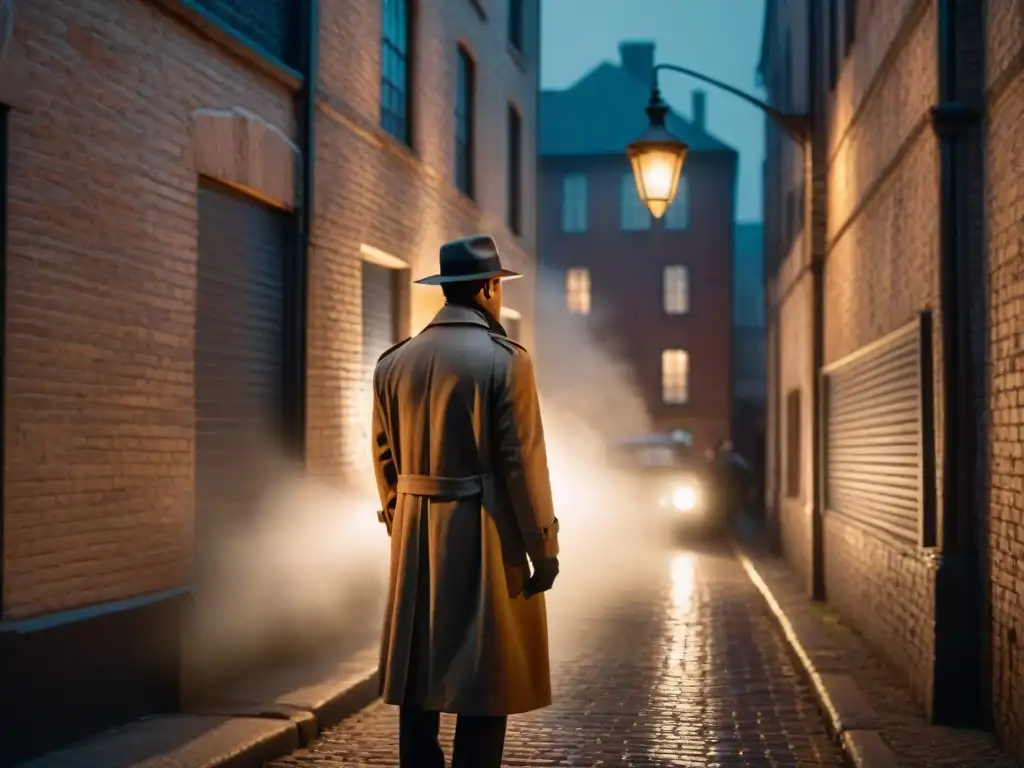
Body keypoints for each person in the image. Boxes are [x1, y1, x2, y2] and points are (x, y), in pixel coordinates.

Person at [370, 234, 561, 768]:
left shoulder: (393, 363)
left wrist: (403, 523)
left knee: (418, 679)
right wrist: (542, 547)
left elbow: (385, 462)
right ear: (489, 287)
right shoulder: (506, 361)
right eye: (498, 285)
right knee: (485, 681)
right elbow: (524, 466)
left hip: (413, 540)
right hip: (484, 533)